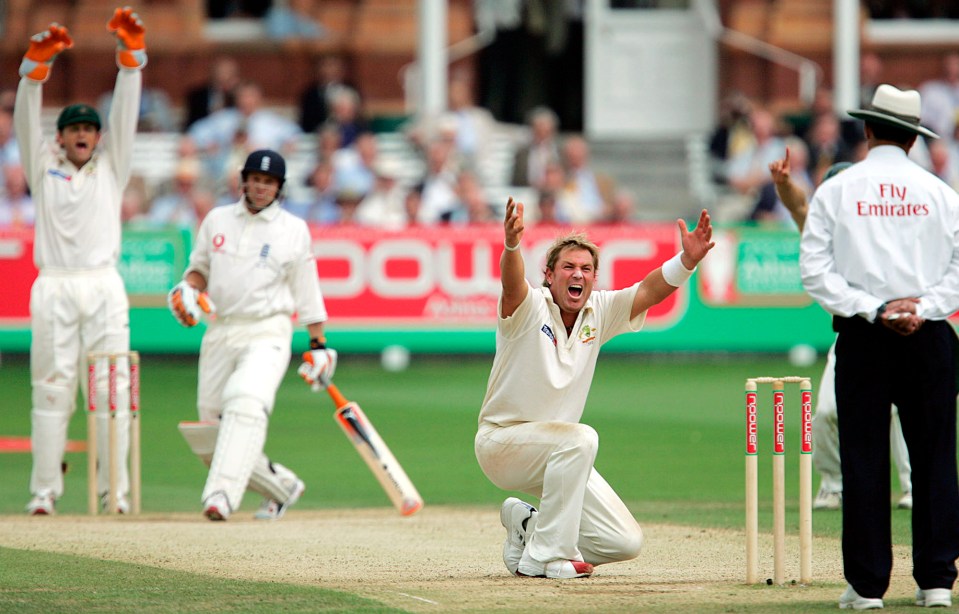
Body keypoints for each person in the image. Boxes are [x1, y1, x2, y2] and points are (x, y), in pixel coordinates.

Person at [475, 198, 715, 579]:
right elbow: (511, 282)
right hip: (502, 443)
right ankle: (543, 559)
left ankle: (528, 528)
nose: (578, 275)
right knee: (581, 438)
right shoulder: (528, 308)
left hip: (559, 455)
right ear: (549, 275)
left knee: (622, 541)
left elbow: (648, 291)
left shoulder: (599, 311)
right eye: (568, 267)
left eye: (587, 269)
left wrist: (686, 262)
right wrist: (511, 245)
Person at [800, 84, 959, 610]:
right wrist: (923, 307)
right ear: (914, 138)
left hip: (866, 339)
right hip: (930, 336)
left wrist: (875, 309)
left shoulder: (839, 189)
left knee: (863, 460)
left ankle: (867, 587)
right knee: (936, 458)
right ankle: (937, 580)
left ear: (868, 129)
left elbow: (815, 273)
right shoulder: (939, 191)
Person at [15, 8, 147, 515]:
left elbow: (126, 117)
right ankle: (45, 493)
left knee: (113, 393)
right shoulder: (42, 167)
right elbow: (27, 120)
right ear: (61, 137)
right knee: (51, 392)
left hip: (104, 286)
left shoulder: (112, 167)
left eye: (91, 128)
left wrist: (130, 63)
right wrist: (33, 69)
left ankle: (115, 494)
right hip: (54, 286)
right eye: (75, 129)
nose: (85, 135)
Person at [167, 149, 337, 521]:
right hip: (221, 329)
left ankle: (220, 496)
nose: (261, 188)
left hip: (268, 330)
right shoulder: (217, 220)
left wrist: (319, 344)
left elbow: (307, 290)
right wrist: (188, 290)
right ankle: (283, 487)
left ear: (279, 188)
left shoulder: (292, 229)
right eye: (256, 180)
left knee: (246, 403)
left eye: (269, 182)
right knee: (211, 433)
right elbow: (199, 271)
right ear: (244, 181)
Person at [769, 152, 913, 512]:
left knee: (899, 410)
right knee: (826, 413)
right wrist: (785, 185)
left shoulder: (882, 226)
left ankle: (913, 485)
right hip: (851, 333)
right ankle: (833, 484)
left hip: (895, 329)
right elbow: (799, 207)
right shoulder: (822, 230)